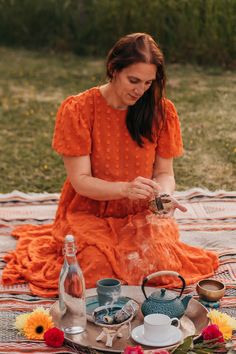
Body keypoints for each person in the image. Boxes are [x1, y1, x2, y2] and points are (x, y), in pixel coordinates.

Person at [2, 33, 218, 297]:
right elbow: (81, 180)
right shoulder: (79, 109)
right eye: (133, 80)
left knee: (158, 266)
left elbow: (164, 172)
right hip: (89, 210)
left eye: (148, 82)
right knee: (97, 272)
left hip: (139, 212)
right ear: (113, 70)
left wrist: (162, 196)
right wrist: (125, 189)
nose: (140, 90)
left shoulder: (161, 112)